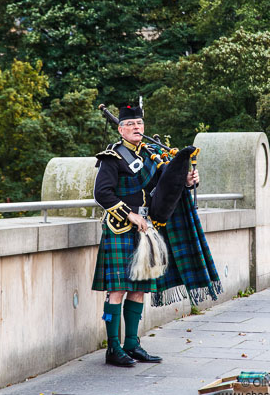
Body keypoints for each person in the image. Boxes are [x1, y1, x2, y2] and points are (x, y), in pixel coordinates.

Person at [92, 105, 221, 368]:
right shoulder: (112, 157)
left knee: (139, 289)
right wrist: (131, 215)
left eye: (139, 123)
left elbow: (166, 186)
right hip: (120, 227)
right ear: (120, 129)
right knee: (117, 289)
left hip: (146, 229)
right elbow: (102, 194)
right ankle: (113, 349)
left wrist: (187, 180)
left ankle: (132, 344)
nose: (136, 127)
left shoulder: (152, 155)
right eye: (130, 124)